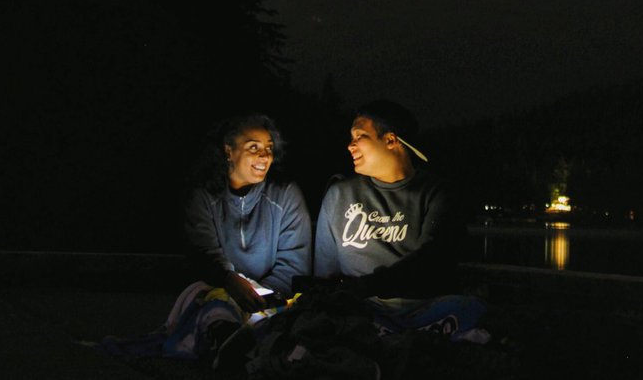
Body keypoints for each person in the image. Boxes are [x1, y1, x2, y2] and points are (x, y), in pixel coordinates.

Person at [312, 100, 483, 337]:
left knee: (469, 309)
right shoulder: (339, 195)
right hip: (362, 307)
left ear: (391, 141)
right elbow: (326, 268)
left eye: (360, 136)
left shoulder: (436, 193)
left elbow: (431, 257)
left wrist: (367, 285)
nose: (350, 145)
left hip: (422, 305)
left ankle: (398, 336)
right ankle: (402, 337)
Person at [176, 113, 312, 363]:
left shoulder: (285, 195)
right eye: (254, 147)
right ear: (229, 151)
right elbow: (204, 252)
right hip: (221, 290)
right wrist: (229, 281)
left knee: (299, 310)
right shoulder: (204, 197)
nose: (264, 156)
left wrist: (261, 297)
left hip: (274, 296)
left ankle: (256, 341)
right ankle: (226, 339)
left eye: (269, 148)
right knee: (204, 298)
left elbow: (294, 262)